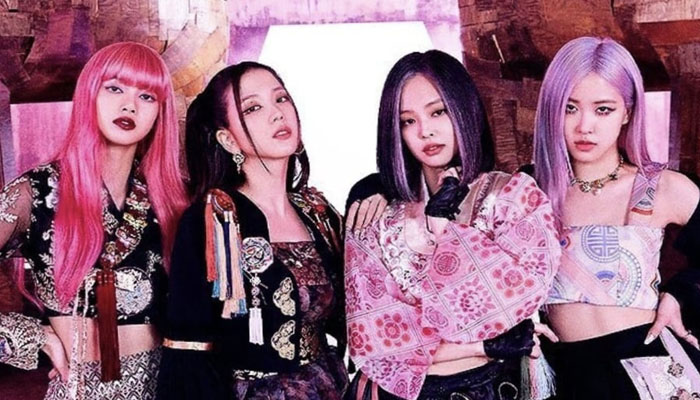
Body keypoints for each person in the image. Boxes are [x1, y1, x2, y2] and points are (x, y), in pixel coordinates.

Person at [344, 50, 561, 400]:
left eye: (438, 112)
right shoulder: (379, 217)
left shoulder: (514, 197)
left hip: (495, 388)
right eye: (407, 121)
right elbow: (373, 346)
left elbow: (514, 300)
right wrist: (484, 346)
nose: (425, 131)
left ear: (464, 109)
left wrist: (445, 230)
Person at [0, 42, 188, 399]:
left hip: (165, 387)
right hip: (78, 390)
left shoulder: (173, 200)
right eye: (115, 88)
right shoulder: (36, 191)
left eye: (147, 96)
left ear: (160, 112)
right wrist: (32, 336)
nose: (129, 105)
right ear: (89, 95)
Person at [156, 61, 348, 400]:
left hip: (328, 386)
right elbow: (188, 350)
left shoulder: (318, 212)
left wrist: (372, 191)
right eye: (253, 108)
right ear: (228, 140)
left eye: (281, 99)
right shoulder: (213, 220)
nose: (277, 113)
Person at [535, 36, 700, 399]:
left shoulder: (660, 186)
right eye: (569, 108)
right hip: (562, 375)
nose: (585, 126)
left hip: (645, 370)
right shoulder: (530, 190)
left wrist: (681, 294)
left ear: (627, 112)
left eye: (603, 109)